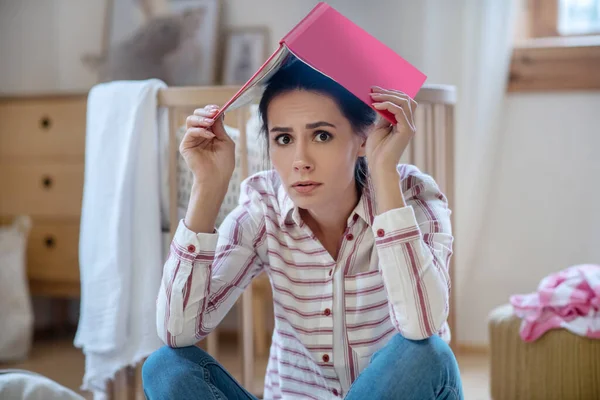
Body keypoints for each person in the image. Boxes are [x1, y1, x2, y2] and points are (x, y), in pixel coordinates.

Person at [142, 58, 463, 400]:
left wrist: (383, 171)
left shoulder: (415, 197)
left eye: (321, 135)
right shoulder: (262, 207)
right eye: (283, 139)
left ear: (364, 138)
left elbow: (422, 326)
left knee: (428, 355)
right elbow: (177, 332)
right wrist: (207, 187)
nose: (300, 160)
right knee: (166, 366)